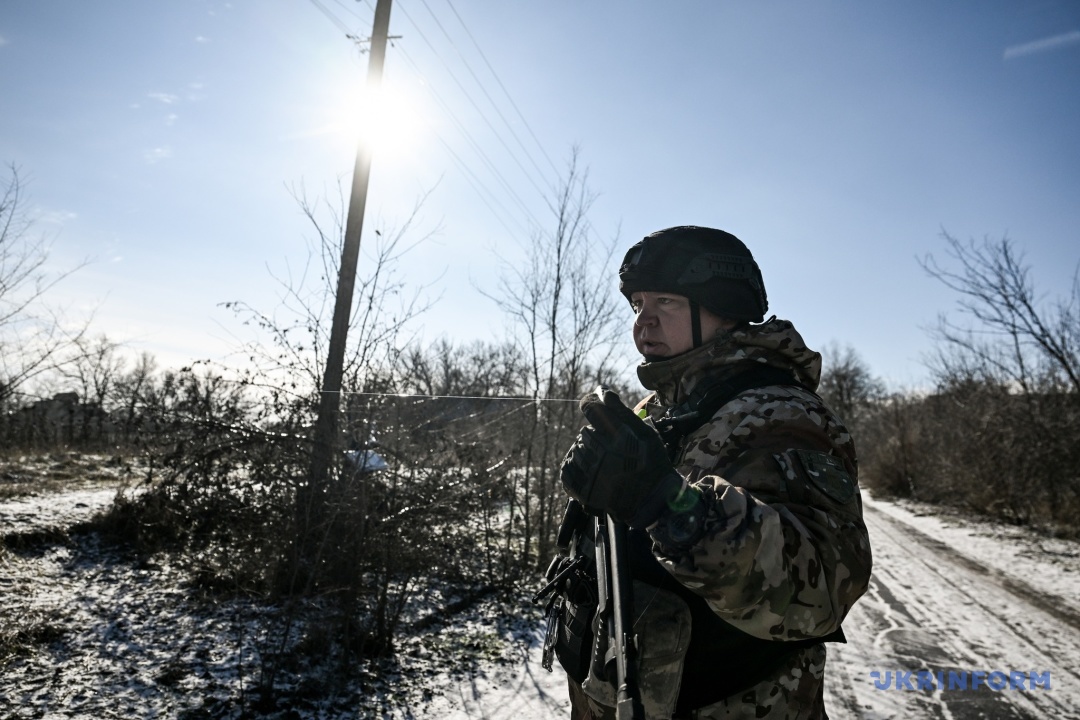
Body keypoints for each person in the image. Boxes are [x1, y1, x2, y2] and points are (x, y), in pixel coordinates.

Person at [551, 226, 873, 720]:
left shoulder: (781, 413)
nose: (643, 323)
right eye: (637, 304)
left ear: (723, 305)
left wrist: (669, 506)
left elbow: (824, 587)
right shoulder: (655, 410)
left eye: (665, 302)